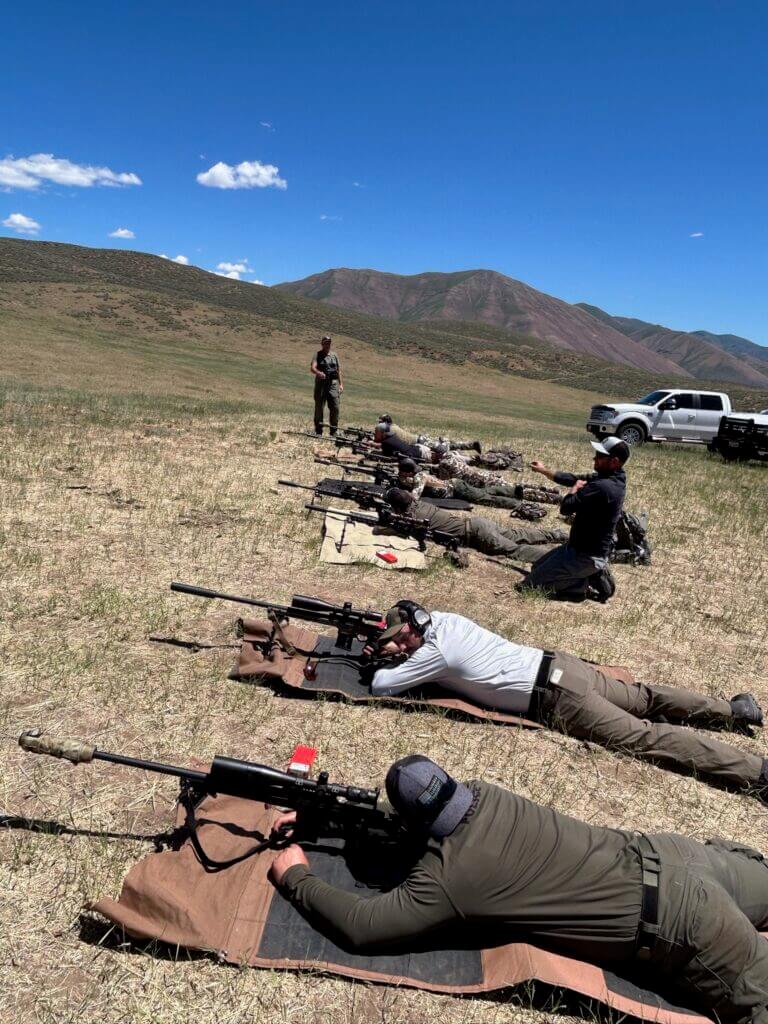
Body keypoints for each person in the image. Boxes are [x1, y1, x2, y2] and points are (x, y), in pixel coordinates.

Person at [271, 754, 768, 1024]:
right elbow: (416, 823)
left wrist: (295, 876)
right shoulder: (486, 792)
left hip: (682, 925)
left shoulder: (449, 882)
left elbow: (363, 926)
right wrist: (327, 816)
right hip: (680, 856)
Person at [363, 602, 766, 791]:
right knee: (645, 698)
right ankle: (735, 710)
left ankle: (756, 772)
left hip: (558, 698)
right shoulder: (446, 621)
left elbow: (382, 687)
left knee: (646, 737)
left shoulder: (436, 653)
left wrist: (383, 661)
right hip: (563, 666)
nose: (399, 647)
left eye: (400, 640)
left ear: (416, 627)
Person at [517, 437, 628, 600]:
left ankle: (584, 584)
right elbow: (572, 478)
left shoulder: (603, 487)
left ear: (614, 461)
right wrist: (543, 470)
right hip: (577, 548)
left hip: (586, 556)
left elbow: (566, 508)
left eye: (600, 455)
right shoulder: (614, 477)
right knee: (536, 568)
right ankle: (587, 573)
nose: (594, 458)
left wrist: (573, 490)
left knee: (529, 586)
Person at [385, 487, 566, 562]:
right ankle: (559, 535)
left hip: (478, 535)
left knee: (514, 550)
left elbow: (406, 531)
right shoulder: (420, 504)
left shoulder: (416, 517)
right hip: (479, 523)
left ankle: (556, 560)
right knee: (518, 534)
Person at [398, 459, 529, 511]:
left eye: (403, 473)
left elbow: (414, 496)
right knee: (487, 491)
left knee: (485, 498)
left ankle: (517, 504)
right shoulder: (418, 474)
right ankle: (513, 491)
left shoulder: (420, 476)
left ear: (408, 472)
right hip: (456, 487)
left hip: (457, 488)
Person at [378, 413, 481, 454]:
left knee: (444, 449)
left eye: (380, 421)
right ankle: (470, 445)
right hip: (420, 441)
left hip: (420, 442)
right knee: (446, 446)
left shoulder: (389, 429)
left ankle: (470, 446)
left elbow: (381, 440)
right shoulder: (393, 426)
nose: (378, 424)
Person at [311, 335, 343, 435]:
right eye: (325, 342)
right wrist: (318, 373)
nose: (327, 344)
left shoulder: (334, 355)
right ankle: (318, 430)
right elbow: (312, 368)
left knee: (335, 407)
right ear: (322, 344)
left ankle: (333, 431)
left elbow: (339, 371)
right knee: (319, 407)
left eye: (329, 342)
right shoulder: (317, 355)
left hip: (333, 384)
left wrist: (341, 384)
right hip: (321, 384)